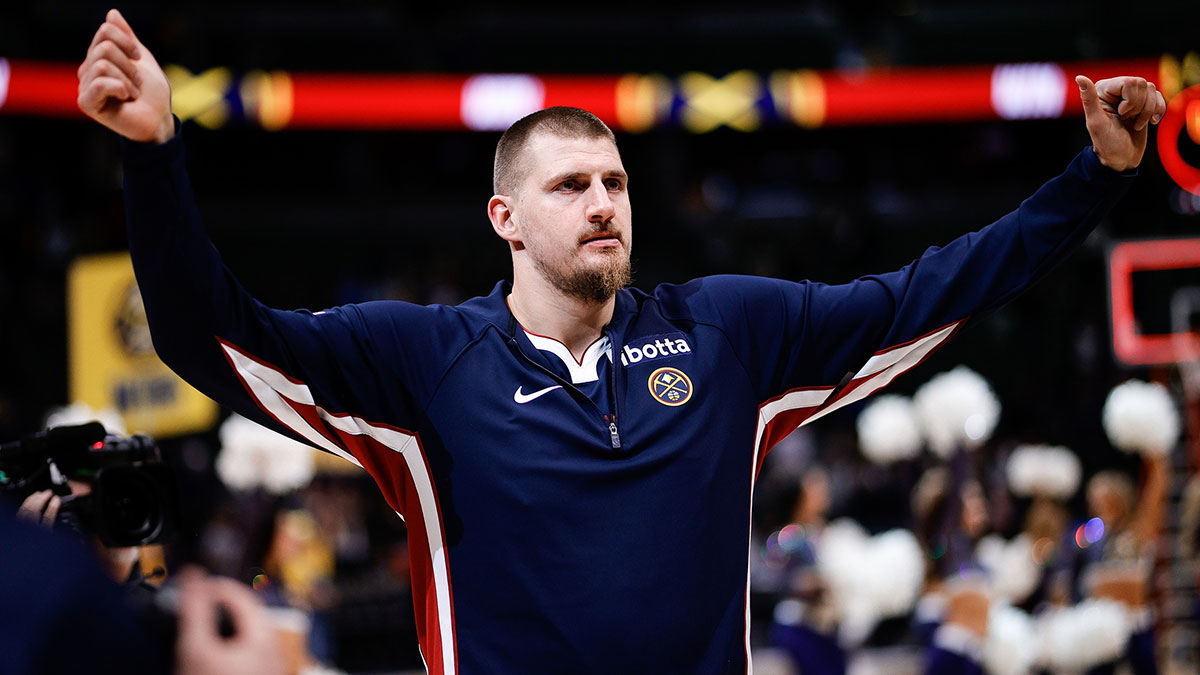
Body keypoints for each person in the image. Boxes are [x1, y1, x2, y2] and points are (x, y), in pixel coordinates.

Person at [76, 8, 1167, 673]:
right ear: (506, 219)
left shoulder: (726, 332)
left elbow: (929, 290)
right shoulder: (423, 366)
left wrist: (1093, 179)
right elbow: (213, 336)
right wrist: (155, 157)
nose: (603, 203)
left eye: (616, 183)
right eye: (570, 186)